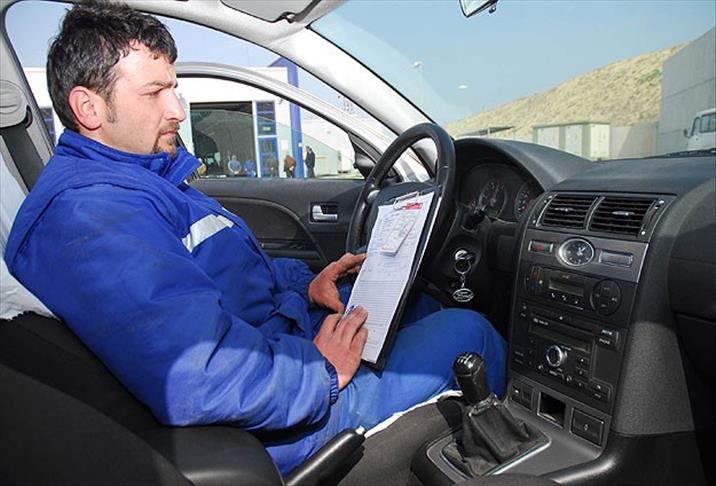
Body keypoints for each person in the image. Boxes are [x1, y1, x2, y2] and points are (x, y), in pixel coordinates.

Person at [4, 2, 506, 475]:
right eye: (154, 93)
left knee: (417, 305)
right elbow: (196, 372)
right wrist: (320, 372)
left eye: (173, 88)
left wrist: (307, 286)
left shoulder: (138, 182)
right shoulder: (89, 215)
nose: (177, 109)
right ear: (88, 107)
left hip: (271, 354)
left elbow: (226, 275)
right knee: (469, 332)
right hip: (267, 417)